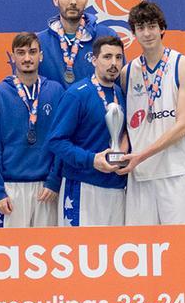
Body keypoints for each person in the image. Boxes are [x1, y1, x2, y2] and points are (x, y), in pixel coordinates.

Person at [119, 1, 185, 225]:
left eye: (152, 26)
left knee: (180, 247)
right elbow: (126, 127)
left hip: (174, 172)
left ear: (162, 28)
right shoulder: (127, 72)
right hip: (139, 175)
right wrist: (121, 153)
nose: (147, 33)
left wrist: (141, 156)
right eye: (141, 28)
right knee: (142, 248)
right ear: (134, 33)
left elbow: (183, 126)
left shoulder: (184, 65)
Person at [46, 35, 128, 226]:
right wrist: (92, 160)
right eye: (107, 57)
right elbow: (56, 141)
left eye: (118, 57)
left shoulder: (121, 93)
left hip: (116, 187)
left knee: (113, 253)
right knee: (80, 253)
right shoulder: (78, 93)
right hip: (82, 187)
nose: (113, 63)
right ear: (94, 59)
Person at [0, 33, 63, 227]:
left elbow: (63, 141)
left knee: (47, 251)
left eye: (32, 52)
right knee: (8, 252)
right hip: (10, 188)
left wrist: (54, 180)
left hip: (46, 188)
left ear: (41, 56)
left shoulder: (56, 90)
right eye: (21, 53)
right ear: (13, 57)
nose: (27, 58)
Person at [37, 0, 115, 85]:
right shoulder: (39, 42)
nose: (73, 1)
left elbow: (118, 84)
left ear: (86, 1)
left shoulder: (107, 37)